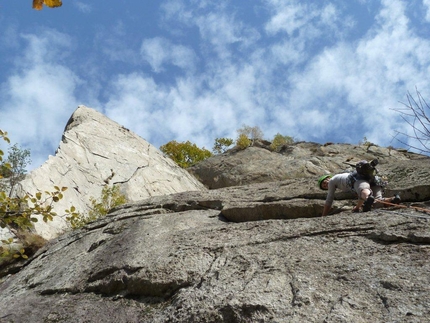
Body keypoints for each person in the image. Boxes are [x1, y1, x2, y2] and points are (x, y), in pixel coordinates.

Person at [318, 159, 400, 217]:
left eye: (325, 182)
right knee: (377, 202)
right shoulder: (340, 178)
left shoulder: (332, 181)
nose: (326, 185)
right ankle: (393, 199)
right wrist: (358, 207)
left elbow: (329, 200)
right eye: (324, 186)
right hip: (374, 180)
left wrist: (323, 216)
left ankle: (368, 196)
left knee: (364, 191)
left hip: (357, 179)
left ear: (328, 178)